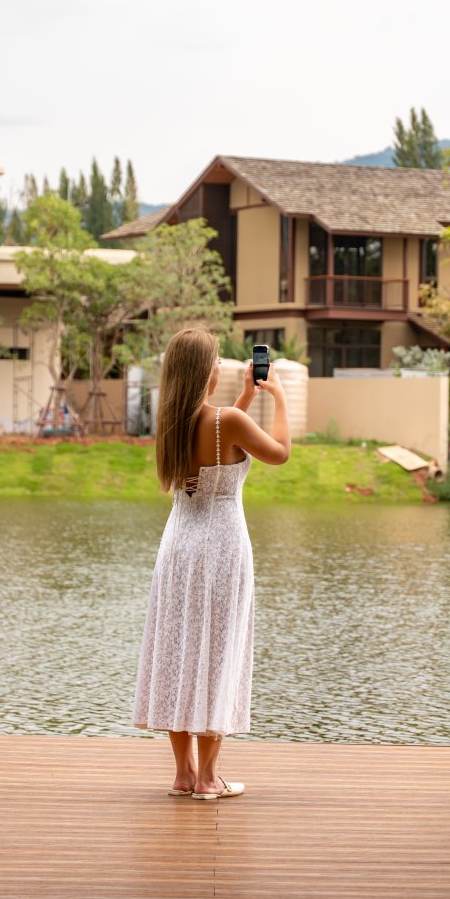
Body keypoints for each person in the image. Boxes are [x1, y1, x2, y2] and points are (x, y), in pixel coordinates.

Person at [132, 328, 291, 800]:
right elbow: (279, 453)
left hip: (178, 548)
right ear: (206, 371)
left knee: (179, 652)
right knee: (218, 655)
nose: (221, 365)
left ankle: (183, 774)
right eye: (218, 359)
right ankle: (208, 779)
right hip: (222, 549)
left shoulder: (171, 423)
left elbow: (219, 441)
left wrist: (245, 398)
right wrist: (278, 397)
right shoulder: (228, 422)